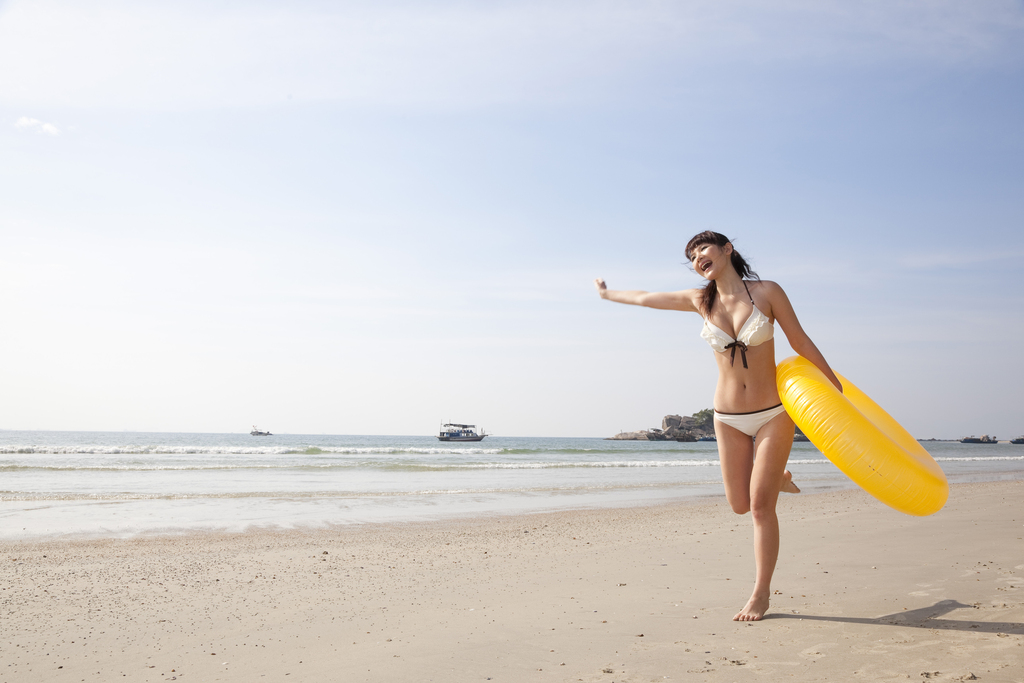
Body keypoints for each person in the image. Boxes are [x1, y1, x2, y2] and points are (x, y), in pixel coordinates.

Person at [594, 230, 841, 621]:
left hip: (774, 412)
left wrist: (834, 384)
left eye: (702, 249)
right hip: (726, 419)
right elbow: (645, 299)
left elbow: (800, 341)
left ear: (727, 249)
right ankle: (775, 476)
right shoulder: (699, 300)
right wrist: (608, 295)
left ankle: (761, 594)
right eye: (691, 256)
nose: (697, 258)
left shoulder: (767, 292)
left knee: (761, 509)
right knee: (740, 505)